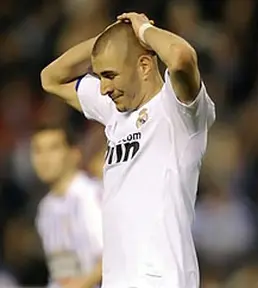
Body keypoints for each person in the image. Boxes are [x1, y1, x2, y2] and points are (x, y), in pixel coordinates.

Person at [40, 12, 216, 288]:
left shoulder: (179, 110)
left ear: (145, 65)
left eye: (110, 75)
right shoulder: (114, 112)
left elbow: (181, 56)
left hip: (164, 280)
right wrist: (111, 37)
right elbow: (50, 78)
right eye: (99, 77)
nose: (104, 88)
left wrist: (142, 30)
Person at [31, 124, 103, 288]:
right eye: (37, 150)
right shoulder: (45, 208)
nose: (44, 158)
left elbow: (113, 255)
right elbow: (61, 271)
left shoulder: (90, 196)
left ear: (74, 153)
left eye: (53, 148)